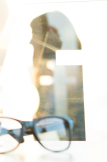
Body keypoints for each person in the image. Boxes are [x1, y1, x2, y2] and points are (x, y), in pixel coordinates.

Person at [29, 11, 85, 140]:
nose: (31, 41)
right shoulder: (49, 79)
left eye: (35, 35)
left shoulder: (66, 81)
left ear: (52, 34)